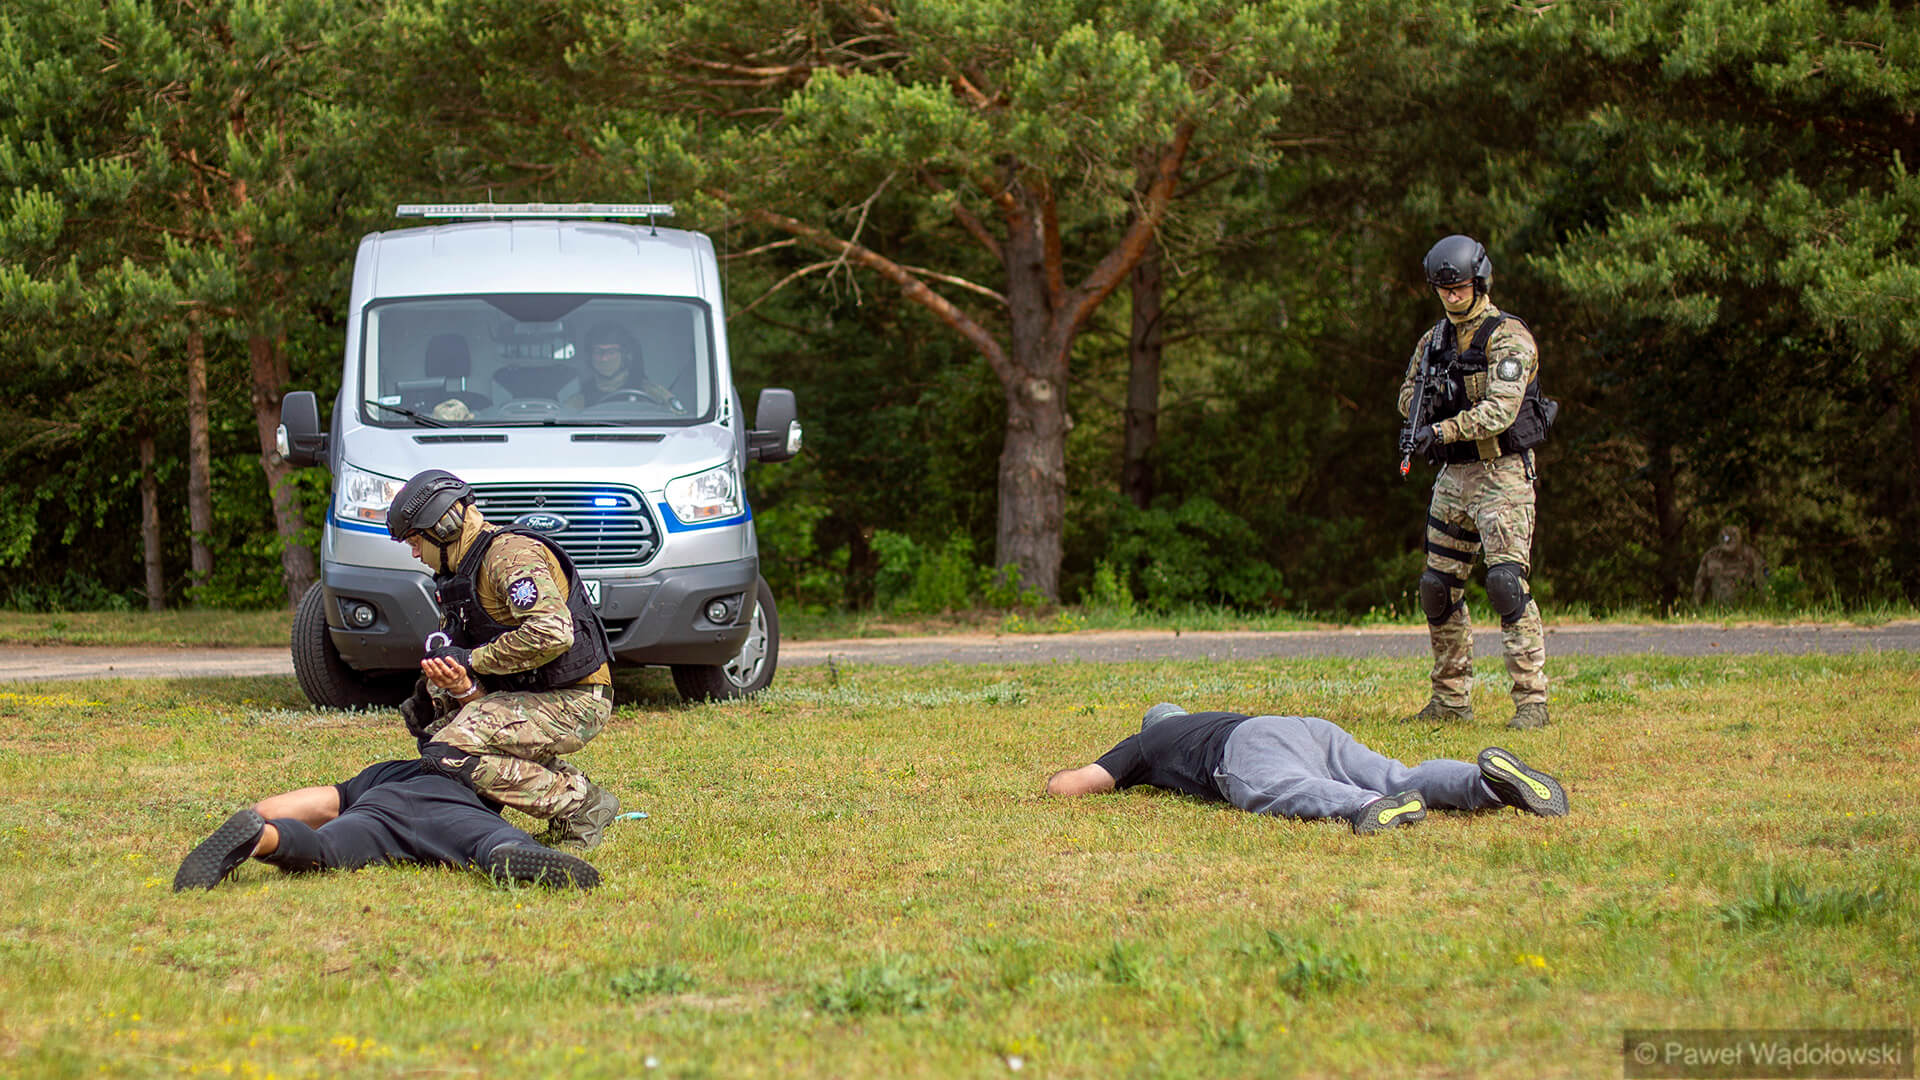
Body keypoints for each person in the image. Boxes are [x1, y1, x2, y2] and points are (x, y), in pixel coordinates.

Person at [386, 468, 621, 849]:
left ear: (443, 528)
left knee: (450, 751)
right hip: (532, 694)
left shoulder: (509, 556)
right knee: (436, 725)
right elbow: (471, 659)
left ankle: (580, 805)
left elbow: (553, 632)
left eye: (415, 541)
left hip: (576, 697)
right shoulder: (460, 573)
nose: (414, 553)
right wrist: (450, 686)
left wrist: (472, 660)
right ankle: (560, 795)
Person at [1397, 234, 1556, 729]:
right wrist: (1429, 402)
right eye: (1443, 289)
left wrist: (1442, 427)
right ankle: (1449, 701)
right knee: (1437, 588)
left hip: (1501, 476)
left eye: (1460, 287)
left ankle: (1531, 702)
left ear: (1479, 282)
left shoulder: (1508, 337)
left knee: (1506, 585)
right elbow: (1407, 395)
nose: (1451, 296)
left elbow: (1500, 411)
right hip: (1454, 477)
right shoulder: (1433, 342)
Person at [1046, 703, 1567, 834]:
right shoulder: (1202, 718)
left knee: (1286, 789)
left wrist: (1057, 779)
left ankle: (1367, 807)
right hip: (1300, 728)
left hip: (1243, 749)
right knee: (1398, 774)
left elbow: (1070, 788)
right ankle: (1486, 784)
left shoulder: (1148, 742)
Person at [172, 758, 599, 891]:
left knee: (325, 850)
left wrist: (261, 814)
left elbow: (322, 801)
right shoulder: (478, 769)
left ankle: (263, 839)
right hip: (454, 808)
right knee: (490, 839)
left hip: (378, 809)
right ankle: (513, 855)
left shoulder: (387, 771)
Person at [566, 322, 686, 414]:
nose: (604, 358)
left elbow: (679, 419)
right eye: (598, 352)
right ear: (590, 356)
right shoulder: (579, 400)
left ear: (625, 355)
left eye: (611, 352)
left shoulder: (652, 392)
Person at [1693, 524, 1768, 606]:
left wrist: (1764, 604)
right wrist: (1697, 605)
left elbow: (1763, 582)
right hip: (1717, 609)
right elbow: (1700, 583)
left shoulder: (1751, 556)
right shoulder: (1710, 557)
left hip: (1744, 609)